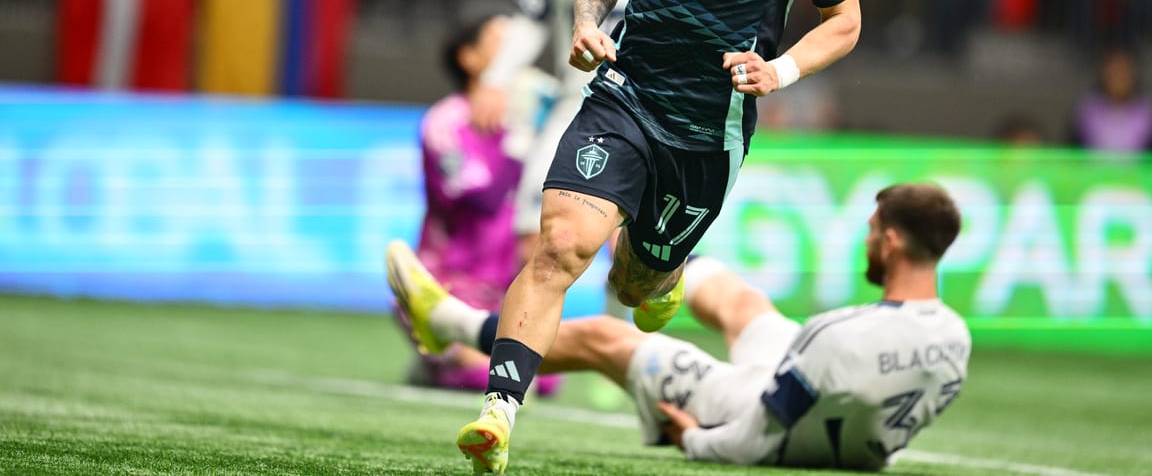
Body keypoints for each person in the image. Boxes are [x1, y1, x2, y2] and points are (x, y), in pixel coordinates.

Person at [449, 0, 863, 474]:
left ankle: (660, 273)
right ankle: (499, 411)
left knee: (636, 282)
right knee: (559, 246)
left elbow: (846, 19)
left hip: (710, 130)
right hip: (625, 95)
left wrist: (782, 68)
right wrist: (585, 21)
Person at [386, 181, 969, 471]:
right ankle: (663, 275)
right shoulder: (954, 340)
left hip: (747, 410)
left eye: (872, 231)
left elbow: (755, 437)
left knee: (606, 338)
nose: (866, 239)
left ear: (890, 242)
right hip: (837, 418)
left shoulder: (838, 335)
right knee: (739, 301)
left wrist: (690, 438)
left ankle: (448, 323)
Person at [467, 0, 671, 268]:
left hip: (654, 120)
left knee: (634, 260)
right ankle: (527, 336)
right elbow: (530, 18)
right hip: (575, 108)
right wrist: (495, 80)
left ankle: (620, 336)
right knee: (534, 237)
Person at [393, 13, 560, 395]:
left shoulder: (533, 123)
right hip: (445, 290)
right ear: (469, 58)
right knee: (489, 377)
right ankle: (440, 357)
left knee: (548, 380)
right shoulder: (446, 123)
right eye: (501, 42)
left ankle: (442, 363)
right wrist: (520, 137)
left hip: (502, 296)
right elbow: (482, 199)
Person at [1068, 46, 1152, 152]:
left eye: (1123, 70)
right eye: (1114, 70)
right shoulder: (1088, 109)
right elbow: (1073, 151)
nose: (1118, 76)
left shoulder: (1147, 111)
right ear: (1103, 73)